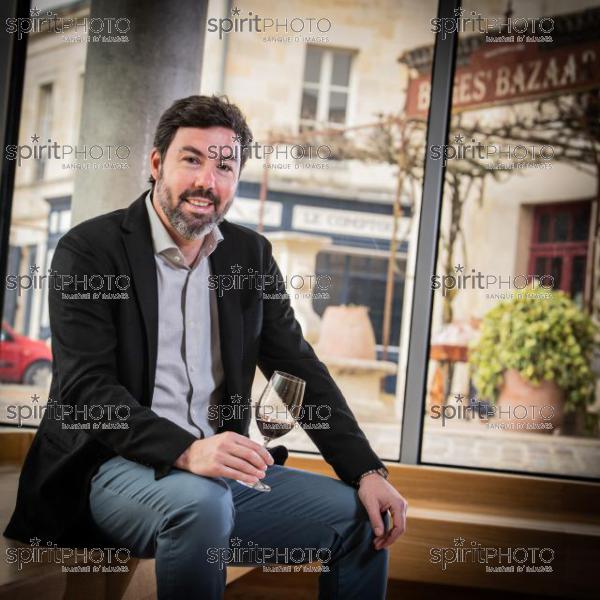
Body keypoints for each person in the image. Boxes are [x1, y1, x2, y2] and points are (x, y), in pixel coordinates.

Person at [5, 95, 407, 599]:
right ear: (157, 164)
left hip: (220, 474)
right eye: (191, 159)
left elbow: (300, 368)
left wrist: (366, 471)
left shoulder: (249, 255)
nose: (206, 181)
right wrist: (187, 450)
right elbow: (87, 390)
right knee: (201, 505)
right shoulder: (90, 250)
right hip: (110, 469)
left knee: (361, 517)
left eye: (224, 166)